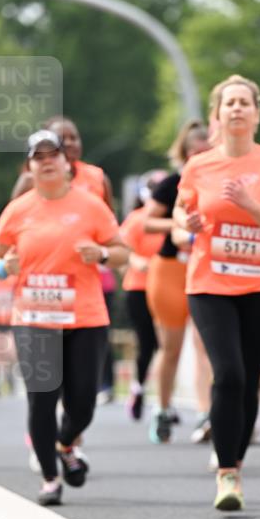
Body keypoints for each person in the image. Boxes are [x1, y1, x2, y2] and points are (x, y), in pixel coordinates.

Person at [174, 74, 260, 511]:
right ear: (218, 114)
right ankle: (227, 474)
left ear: (257, 114)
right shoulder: (199, 165)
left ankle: (236, 461)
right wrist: (182, 225)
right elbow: (179, 214)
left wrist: (249, 203)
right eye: (230, 103)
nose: (238, 109)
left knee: (247, 383)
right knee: (226, 374)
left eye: (246, 102)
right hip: (209, 283)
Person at [0, 131, 128, 506]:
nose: (47, 161)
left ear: (68, 163)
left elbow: (121, 253)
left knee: (83, 402)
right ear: (30, 166)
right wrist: (4, 267)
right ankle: (50, 478)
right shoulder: (18, 209)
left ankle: (66, 445)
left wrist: (99, 253)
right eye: (39, 157)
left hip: (84, 316)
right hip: (34, 317)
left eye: (54, 154)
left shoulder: (91, 205)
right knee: (41, 398)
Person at [144, 120, 212, 444]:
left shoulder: (218, 183)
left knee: (204, 344)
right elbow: (147, 222)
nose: (199, 158)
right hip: (170, 268)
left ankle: (205, 412)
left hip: (208, 268)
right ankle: (162, 407)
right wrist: (180, 222)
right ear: (184, 153)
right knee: (171, 347)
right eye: (194, 153)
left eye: (205, 152)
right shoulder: (171, 184)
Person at [119, 170, 167, 420]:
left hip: (169, 289)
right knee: (147, 343)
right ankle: (138, 388)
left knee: (167, 346)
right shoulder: (137, 219)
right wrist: (139, 262)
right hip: (139, 288)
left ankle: (163, 402)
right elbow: (122, 250)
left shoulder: (173, 220)